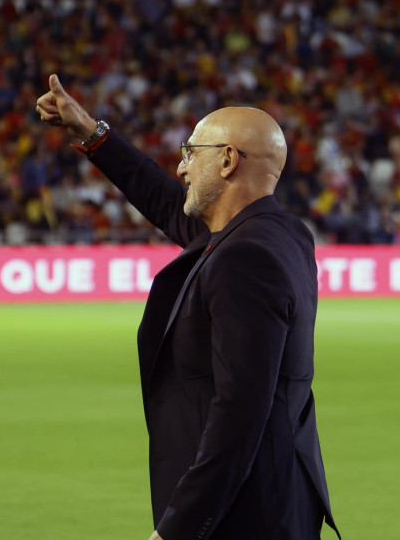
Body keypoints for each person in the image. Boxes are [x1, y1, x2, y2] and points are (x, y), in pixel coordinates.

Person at [36, 74, 339, 540]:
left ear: (226, 160)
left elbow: (240, 412)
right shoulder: (280, 233)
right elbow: (166, 203)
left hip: (245, 515)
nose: (180, 169)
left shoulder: (245, 258)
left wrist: (178, 528)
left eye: (189, 154)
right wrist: (94, 135)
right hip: (273, 501)